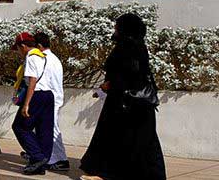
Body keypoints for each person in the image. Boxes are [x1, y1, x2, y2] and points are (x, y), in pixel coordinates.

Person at [80, 13, 165, 180]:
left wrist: (108, 85)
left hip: (127, 105)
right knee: (141, 144)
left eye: (117, 26)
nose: (115, 29)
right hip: (135, 105)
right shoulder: (137, 45)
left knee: (119, 140)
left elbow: (129, 75)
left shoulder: (128, 47)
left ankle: (107, 174)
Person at [12, 32, 55, 175]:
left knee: (20, 127)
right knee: (44, 130)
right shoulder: (44, 57)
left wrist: (26, 104)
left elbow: (32, 82)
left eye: (18, 48)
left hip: (36, 95)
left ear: (23, 46)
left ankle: (37, 157)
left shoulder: (30, 57)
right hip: (48, 95)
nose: (18, 52)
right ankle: (41, 164)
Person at [33, 32, 69, 171]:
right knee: (44, 129)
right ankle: (43, 155)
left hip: (49, 99)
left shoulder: (45, 59)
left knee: (52, 129)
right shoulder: (53, 58)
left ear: (39, 46)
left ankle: (61, 159)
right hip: (52, 98)